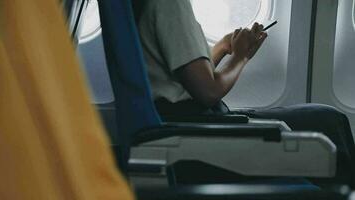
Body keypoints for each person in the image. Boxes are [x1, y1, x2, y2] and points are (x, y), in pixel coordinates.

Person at [132, 0, 355, 187]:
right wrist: (241, 56)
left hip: (188, 120)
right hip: (197, 126)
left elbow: (187, 75)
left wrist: (222, 47)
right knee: (329, 121)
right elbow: (208, 91)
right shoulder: (169, 4)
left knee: (324, 118)